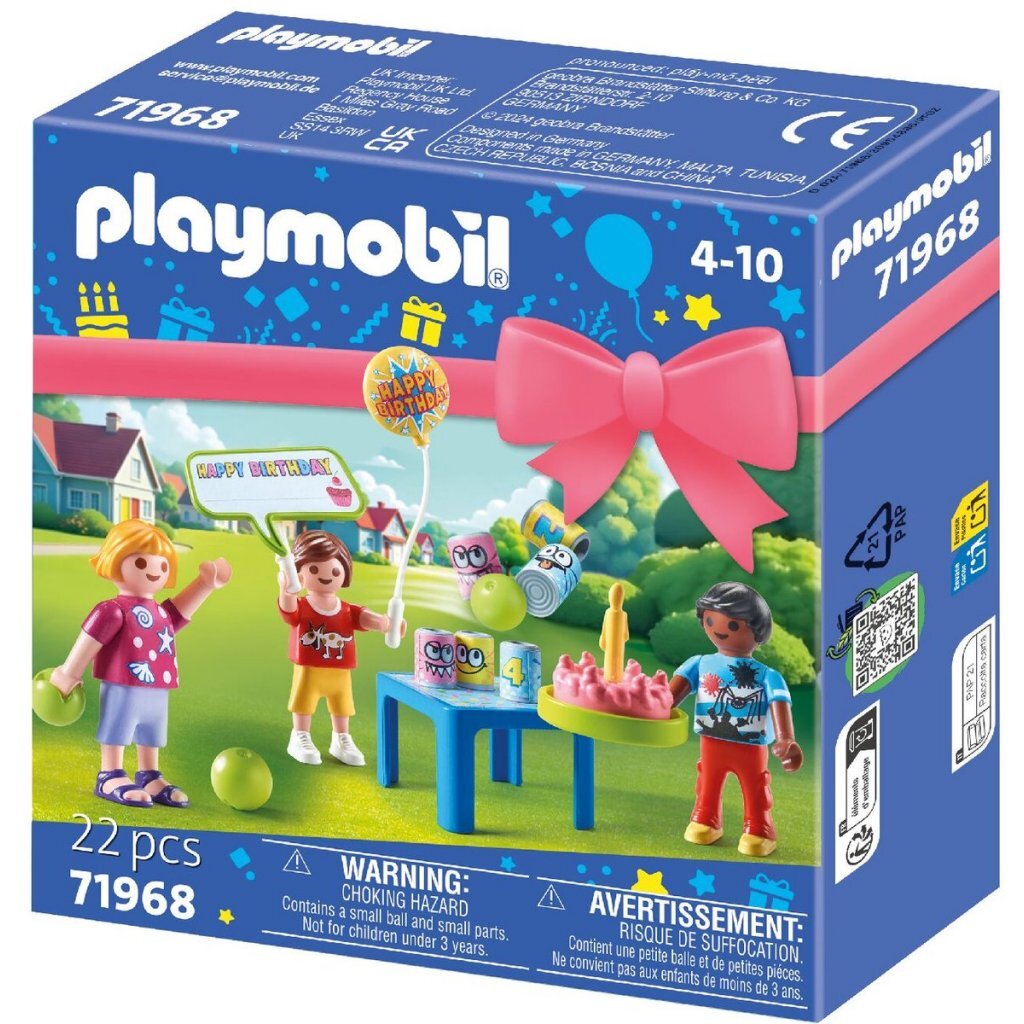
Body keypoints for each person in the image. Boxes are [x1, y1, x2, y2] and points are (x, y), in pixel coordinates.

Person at [49, 519, 232, 807]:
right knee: (118, 726)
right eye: (141, 563)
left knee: (151, 731)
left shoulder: (160, 612)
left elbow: (179, 613)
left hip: (157, 687)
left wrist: (205, 584)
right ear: (115, 560)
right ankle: (109, 773)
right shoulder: (111, 610)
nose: (154, 570)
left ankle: (149, 774)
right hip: (123, 684)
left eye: (162, 564)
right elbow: (89, 640)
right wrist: (68, 672)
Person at [670, 581, 803, 857]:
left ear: (757, 630)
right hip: (712, 739)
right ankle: (705, 817)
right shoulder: (700, 663)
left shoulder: (767, 675)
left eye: (733, 625)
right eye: (710, 620)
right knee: (708, 780)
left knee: (754, 785)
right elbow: (671, 694)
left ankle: (759, 828)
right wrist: (657, 705)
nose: (719, 629)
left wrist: (786, 739)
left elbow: (779, 703)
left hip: (750, 745)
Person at [278, 529, 404, 766]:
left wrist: (385, 623)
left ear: (344, 572)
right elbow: (289, 612)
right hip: (309, 667)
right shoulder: (302, 605)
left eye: (335, 571)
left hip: (340, 669)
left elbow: (364, 617)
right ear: (299, 572)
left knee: (342, 704)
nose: (326, 576)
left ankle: (341, 737)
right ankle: (300, 735)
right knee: (303, 702)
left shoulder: (346, 608)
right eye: (314, 569)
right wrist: (286, 591)